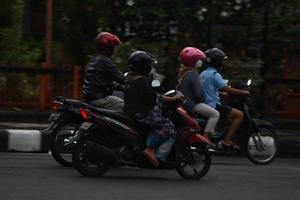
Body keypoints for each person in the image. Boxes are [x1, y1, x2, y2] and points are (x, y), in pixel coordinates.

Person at [123, 50, 181, 166]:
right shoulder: (141, 79)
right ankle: (150, 149)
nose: (150, 66)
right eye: (149, 63)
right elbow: (153, 97)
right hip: (142, 113)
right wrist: (173, 99)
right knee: (167, 126)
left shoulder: (129, 77)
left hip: (130, 111)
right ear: (144, 65)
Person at [199, 48, 250, 148]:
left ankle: (218, 135)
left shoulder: (203, 73)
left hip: (205, 104)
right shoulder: (214, 75)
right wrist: (243, 92)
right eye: (222, 60)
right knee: (239, 115)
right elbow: (227, 88)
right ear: (218, 61)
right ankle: (227, 140)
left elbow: (208, 88)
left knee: (229, 113)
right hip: (213, 105)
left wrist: (221, 94)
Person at [177, 47, 220, 140]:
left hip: (183, 103)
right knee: (215, 114)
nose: (201, 61)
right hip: (191, 105)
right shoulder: (193, 74)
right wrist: (203, 101)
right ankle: (206, 136)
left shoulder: (183, 73)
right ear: (193, 61)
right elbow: (198, 94)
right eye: (199, 59)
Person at [83, 32, 125, 111]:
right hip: (100, 99)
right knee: (127, 107)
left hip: (90, 98)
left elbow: (104, 81)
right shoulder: (105, 61)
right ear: (107, 47)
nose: (114, 50)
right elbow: (122, 78)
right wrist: (133, 81)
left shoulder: (93, 59)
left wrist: (123, 88)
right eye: (113, 47)